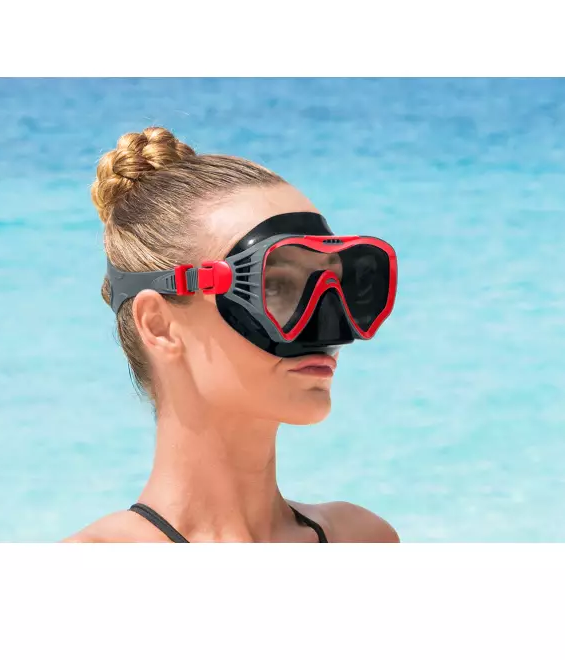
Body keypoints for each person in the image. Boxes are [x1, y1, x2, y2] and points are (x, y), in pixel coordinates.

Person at [65, 127, 400, 543]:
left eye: (336, 285)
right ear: (158, 325)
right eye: (274, 285)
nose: (332, 329)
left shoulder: (362, 539)